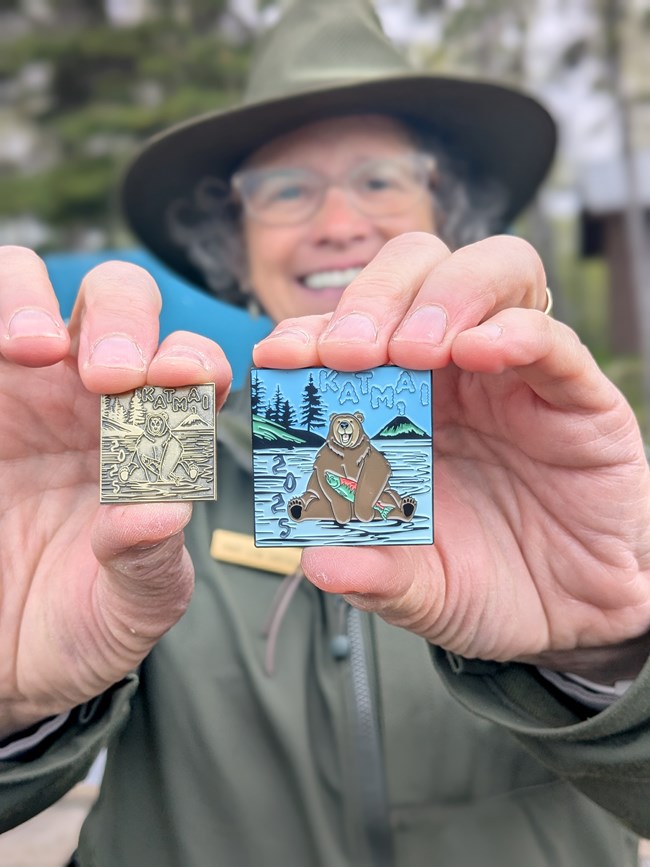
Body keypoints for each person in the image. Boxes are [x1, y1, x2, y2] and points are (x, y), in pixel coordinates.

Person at [1, 1, 649, 864]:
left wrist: (608, 658)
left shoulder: (570, 458)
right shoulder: (143, 450)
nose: (338, 220)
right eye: (285, 189)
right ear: (233, 238)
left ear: (445, 211)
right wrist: (12, 707)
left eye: (381, 178)